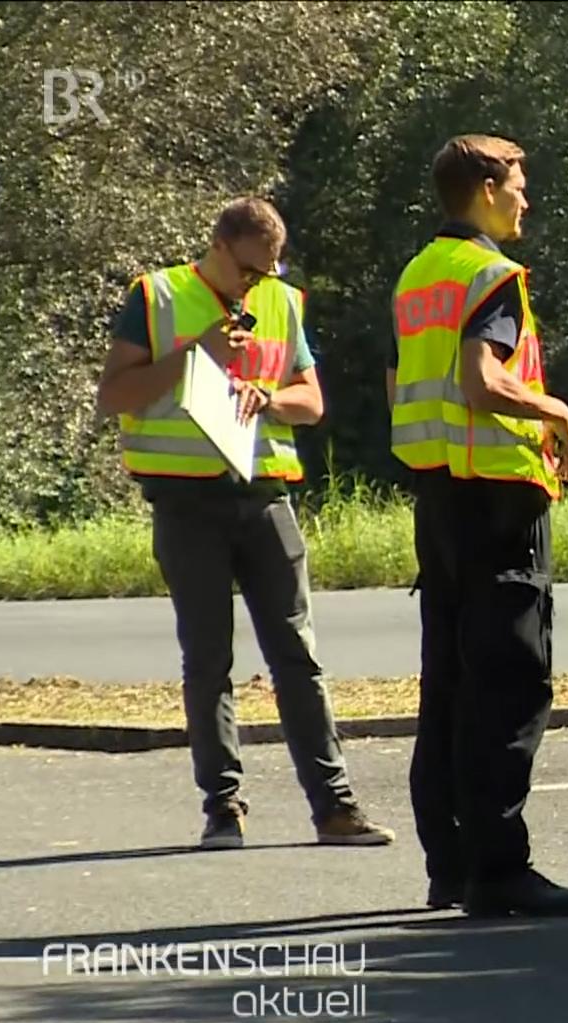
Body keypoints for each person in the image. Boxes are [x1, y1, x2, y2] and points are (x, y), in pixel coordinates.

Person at [96, 196, 396, 851]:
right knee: (208, 660)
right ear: (219, 247)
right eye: (251, 271)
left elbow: (311, 401)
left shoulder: (283, 303)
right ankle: (223, 808)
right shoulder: (158, 296)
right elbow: (114, 393)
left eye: (271, 271)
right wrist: (194, 357)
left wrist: (272, 399)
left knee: (298, 656)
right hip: (185, 503)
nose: (260, 284)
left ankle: (335, 808)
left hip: (265, 497)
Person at [388, 133, 568, 918]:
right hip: (499, 500)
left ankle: (451, 866)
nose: (525, 198)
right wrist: (555, 409)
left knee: (447, 682)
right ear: (484, 188)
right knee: (508, 684)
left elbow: (404, 380)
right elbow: (482, 381)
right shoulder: (491, 274)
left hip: (438, 495)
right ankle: (500, 868)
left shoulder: (418, 273)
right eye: (517, 184)